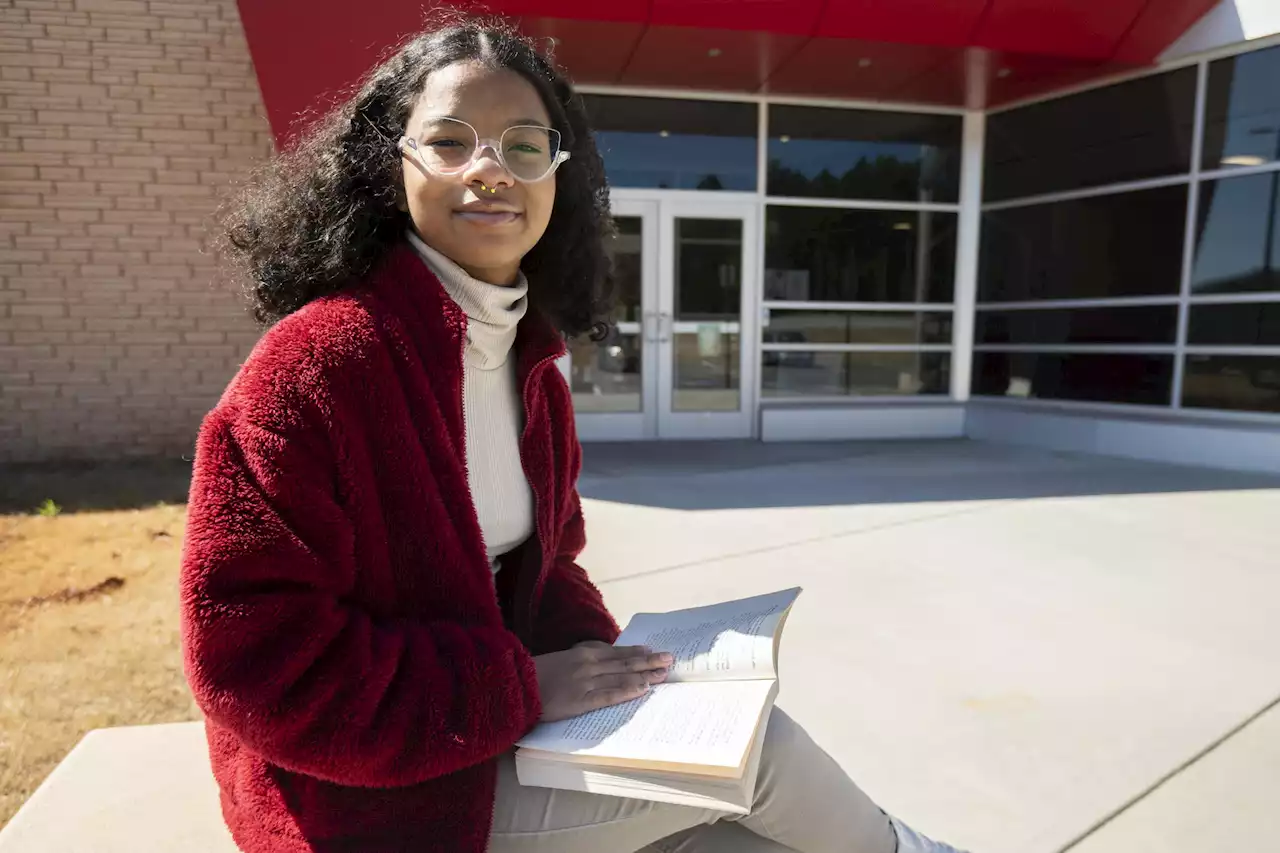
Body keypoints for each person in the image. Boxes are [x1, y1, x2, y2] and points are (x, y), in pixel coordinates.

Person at [180, 11, 971, 853]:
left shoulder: (529, 361)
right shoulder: (314, 366)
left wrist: (620, 679)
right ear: (391, 164)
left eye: (524, 145)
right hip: (370, 801)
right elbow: (255, 661)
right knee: (765, 757)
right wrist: (518, 689)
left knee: (746, 837)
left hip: (502, 739)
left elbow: (548, 564)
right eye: (450, 141)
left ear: (557, 176)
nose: (492, 170)